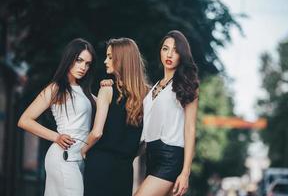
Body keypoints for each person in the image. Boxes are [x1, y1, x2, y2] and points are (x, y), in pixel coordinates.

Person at [18, 38, 97, 196]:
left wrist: (107, 87)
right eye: (79, 60)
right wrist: (56, 136)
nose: (83, 67)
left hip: (79, 158)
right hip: (63, 155)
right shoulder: (56, 88)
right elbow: (24, 120)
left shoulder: (87, 93)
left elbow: (106, 108)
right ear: (69, 58)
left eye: (88, 64)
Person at [135, 30, 199, 196]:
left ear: (182, 55)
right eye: (165, 48)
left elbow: (190, 128)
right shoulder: (155, 87)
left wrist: (185, 172)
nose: (169, 54)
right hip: (150, 154)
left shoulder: (186, 85)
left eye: (176, 50)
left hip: (170, 156)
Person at [82, 37, 149, 196]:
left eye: (110, 57)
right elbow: (145, 142)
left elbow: (97, 133)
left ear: (122, 60)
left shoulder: (107, 90)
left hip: (99, 165)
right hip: (125, 170)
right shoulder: (146, 96)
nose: (105, 61)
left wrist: (82, 150)